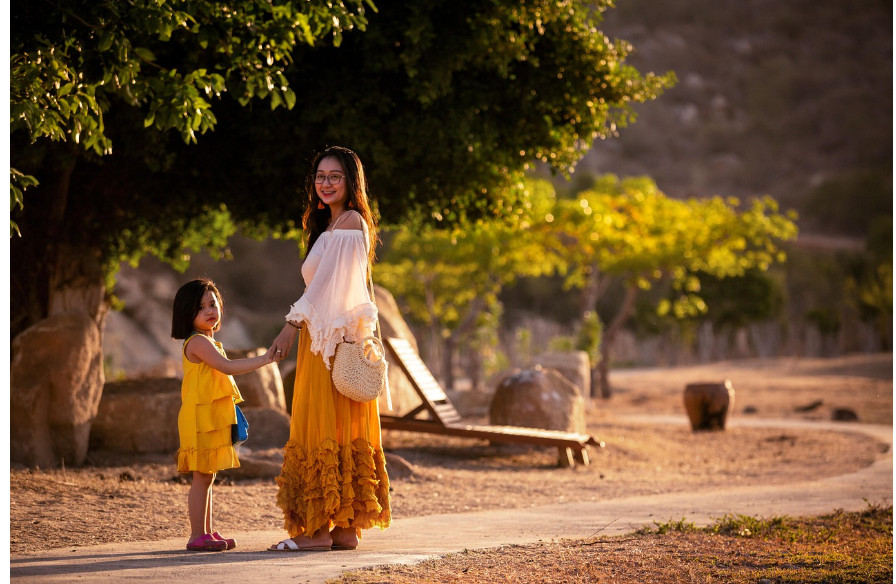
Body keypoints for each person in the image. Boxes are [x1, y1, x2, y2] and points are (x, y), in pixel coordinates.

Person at [267, 146, 391, 552]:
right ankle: (343, 530)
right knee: (337, 427)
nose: (325, 183)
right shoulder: (333, 225)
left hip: (328, 345)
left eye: (334, 176)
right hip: (332, 340)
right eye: (320, 176)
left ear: (351, 182)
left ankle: (317, 532)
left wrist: (289, 326)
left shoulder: (351, 222)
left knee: (319, 425)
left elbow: (321, 288)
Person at [171, 277, 275, 552]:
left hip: (209, 416)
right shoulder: (196, 342)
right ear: (187, 314)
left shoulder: (208, 341)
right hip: (199, 418)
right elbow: (227, 368)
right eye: (200, 307)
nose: (209, 310)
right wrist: (265, 359)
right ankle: (196, 535)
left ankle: (205, 531)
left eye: (213, 303)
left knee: (208, 475)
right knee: (201, 476)